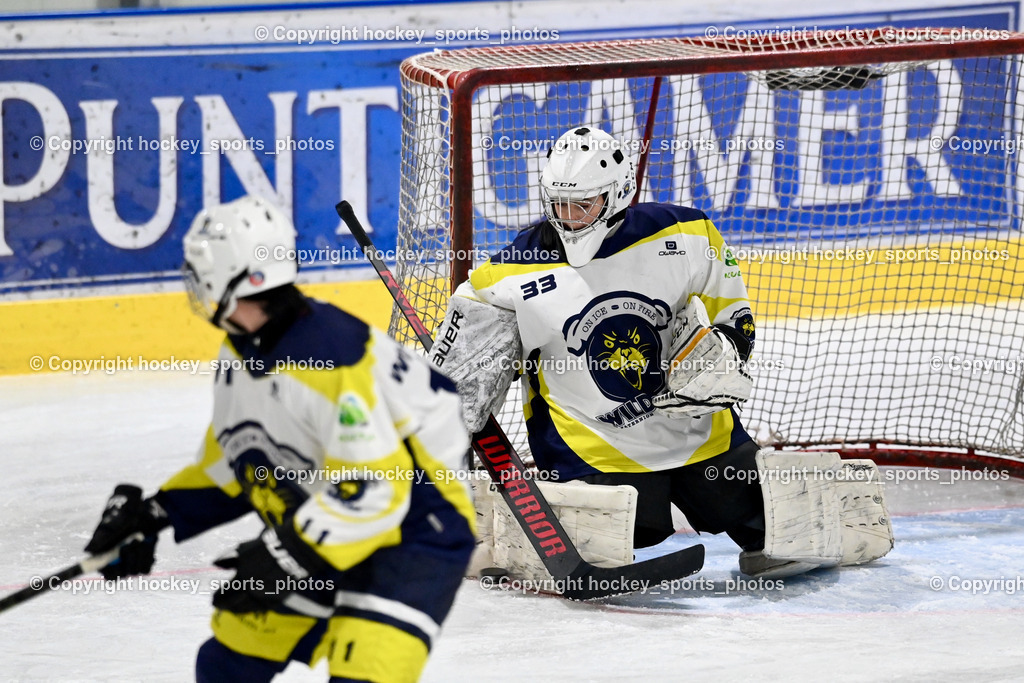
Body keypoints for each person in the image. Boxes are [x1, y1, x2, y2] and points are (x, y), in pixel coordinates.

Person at [430, 126, 892, 581]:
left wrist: (722, 353)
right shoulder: (506, 278)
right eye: (557, 204)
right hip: (594, 454)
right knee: (601, 548)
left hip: (700, 438)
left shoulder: (687, 234)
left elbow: (736, 318)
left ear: (615, 195)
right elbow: (457, 384)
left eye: (581, 205)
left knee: (798, 542)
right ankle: (484, 534)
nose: (568, 216)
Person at [84, 196, 475, 682]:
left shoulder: (333, 357)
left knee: (363, 675)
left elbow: (378, 488)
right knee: (228, 662)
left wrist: (285, 554)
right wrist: (157, 513)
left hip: (418, 528)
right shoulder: (241, 351)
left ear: (232, 276)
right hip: (328, 519)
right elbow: (236, 462)